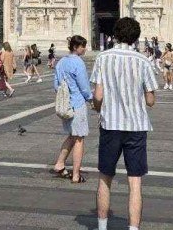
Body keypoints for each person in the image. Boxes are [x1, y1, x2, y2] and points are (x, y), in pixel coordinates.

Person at [91, 17, 157, 230]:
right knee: (135, 182)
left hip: (110, 125)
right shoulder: (143, 61)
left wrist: (98, 108)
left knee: (105, 178)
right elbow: (150, 100)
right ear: (136, 37)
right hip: (136, 127)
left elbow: (98, 95)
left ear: (115, 34)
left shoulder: (103, 58)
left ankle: (102, 227)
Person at [51, 35, 93, 183]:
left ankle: (59, 164)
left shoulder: (61, 62)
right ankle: (76, 175)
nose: (85, 49)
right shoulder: (78, 63)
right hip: (77, 104)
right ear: (76, 47)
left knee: (72, 135)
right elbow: (84, 86)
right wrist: (91, 99)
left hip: (65, 105)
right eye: (83, 46)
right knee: (79, 139)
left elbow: (56, 85)